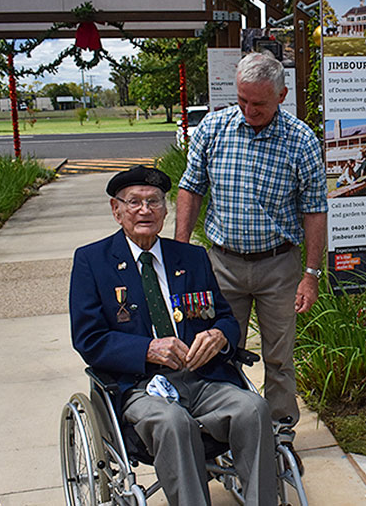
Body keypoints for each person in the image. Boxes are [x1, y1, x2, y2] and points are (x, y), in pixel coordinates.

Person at [69, 166, 276, 506]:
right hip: (140, 386)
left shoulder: (191, 257)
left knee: (253, 408)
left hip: (202, 378)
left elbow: (225, 318)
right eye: (134, 202)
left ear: (165, 210)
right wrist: (148, 348)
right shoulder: (93, 261)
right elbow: (89, 339)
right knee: (173, 422)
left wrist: (219, 337)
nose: (144, 210)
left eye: (153, 201)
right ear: (116, 209)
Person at [175, 52, 328, 439]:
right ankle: (227, 426)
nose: (248, 110)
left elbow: (314, 210)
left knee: (279, 355)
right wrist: (179, 252)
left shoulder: (301, 140)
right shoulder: (214, 129)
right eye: (242, 100)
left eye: (258, 103)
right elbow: (190, 189)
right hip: (222, 264)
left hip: (278, 265)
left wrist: (310, 275)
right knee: (219, 349)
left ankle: (279, 429)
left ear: (282, 95)